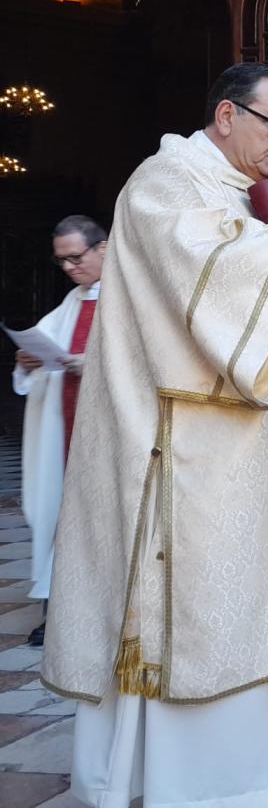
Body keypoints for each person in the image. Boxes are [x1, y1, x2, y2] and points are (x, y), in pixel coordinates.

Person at [39, 62, 268, 808]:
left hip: (261, 455)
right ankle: (185, 786)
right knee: (199, 613)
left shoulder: (261, 195)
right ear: (227, 115)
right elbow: (216, 282)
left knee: (263, 605)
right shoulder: (165, 185)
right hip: (187, 458)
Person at [12, 215, 107, 647]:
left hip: (108, 434)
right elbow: (45, 349)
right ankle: (58, 612)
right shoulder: (73, 300)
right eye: (61, 261)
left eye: (75, 257)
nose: (69, 268)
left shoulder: (131, 293)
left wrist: (92, 363)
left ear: (103, 248)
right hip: (65, 427)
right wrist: (28, 361)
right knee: (59, 515)